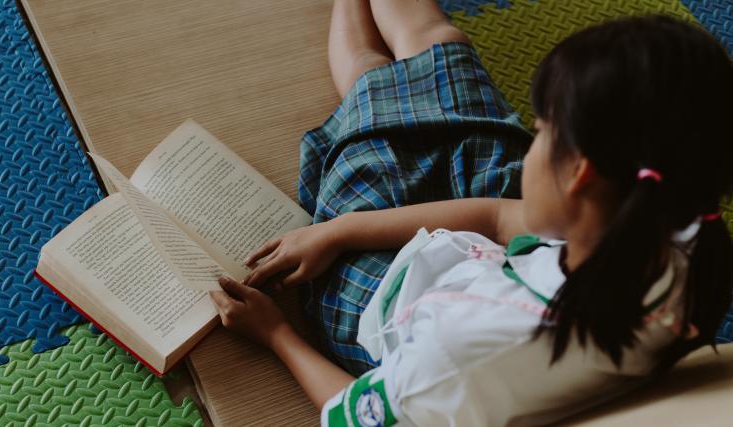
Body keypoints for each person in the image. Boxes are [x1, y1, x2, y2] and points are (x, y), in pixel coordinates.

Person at [208, 0, 733, 425]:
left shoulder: (455, 355)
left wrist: (276, 331)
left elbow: (351, 416)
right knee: (441, 49)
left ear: (581, 174)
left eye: (544, 129)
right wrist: (344, 227)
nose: (535, 133)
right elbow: (503, 218)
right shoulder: (673, 222)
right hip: (498, 259)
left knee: (376, 90)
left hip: (390, 299)